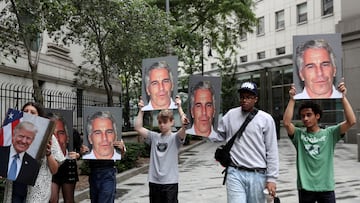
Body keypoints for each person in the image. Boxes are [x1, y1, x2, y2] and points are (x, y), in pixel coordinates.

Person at [283, 82, 356, 202]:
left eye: (309, 115)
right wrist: (292, 99)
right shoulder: (299, 135)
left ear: (317, 116)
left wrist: (343, 98)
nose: (305, 118)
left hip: (326, 188)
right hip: (306, 188)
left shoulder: (330, 134)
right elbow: (286, 123)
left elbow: (351, 121)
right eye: (303, 116)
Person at [212, 81, 279, 203]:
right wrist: (201, 125)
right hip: (235, 172)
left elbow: (272, 151)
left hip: (258, 175)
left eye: (248, 97)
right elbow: (217, 135)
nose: (244, 100)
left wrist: (272, 179)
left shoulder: (266, 119)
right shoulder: (231, 115)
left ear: (256, 99)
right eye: (242, 97)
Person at [3, 102, 66, 203]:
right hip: (15, 189)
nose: (29, 114)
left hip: (36, 192)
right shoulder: (12, 134)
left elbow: (54, 170)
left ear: (39, 116)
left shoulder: (49, 137)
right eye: (26, 111)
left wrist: (48, 154)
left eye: (33, 112)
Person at [135, 96, 188, 203]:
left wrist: (179, 107)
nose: (162, 125)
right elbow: (138, 128)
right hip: (154, 181)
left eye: (165, 122)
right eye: (160, 122)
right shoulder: (154, 137)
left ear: (172, 122)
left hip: (170, 182)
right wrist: (141, 110)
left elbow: (185, 125)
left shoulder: (175, 138)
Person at [81, 111, 126, 203]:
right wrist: (82, 153)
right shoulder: (87, 148)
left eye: (109, 132)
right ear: (90, 138)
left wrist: (121, 150)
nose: (104, 138)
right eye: (98, 133)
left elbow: (122, 156)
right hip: (93, 172)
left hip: (108, 172)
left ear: (115, 135)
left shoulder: (118, 143)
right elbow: (80, 155)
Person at [48, 112, 80, 203]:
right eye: (53, 134)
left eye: (61, 133)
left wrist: (78, 155)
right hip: (53, 165)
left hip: (68, 165)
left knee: (69, 199)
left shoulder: (74, 133)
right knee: (52, 199)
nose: (56, 138)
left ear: (67, 137)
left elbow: (81, 149)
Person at [0, 121, 40, 186]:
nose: (24, 141)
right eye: (21, 136)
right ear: (13, 136)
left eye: (28, 138)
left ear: (32, 141)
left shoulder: (34, 165)